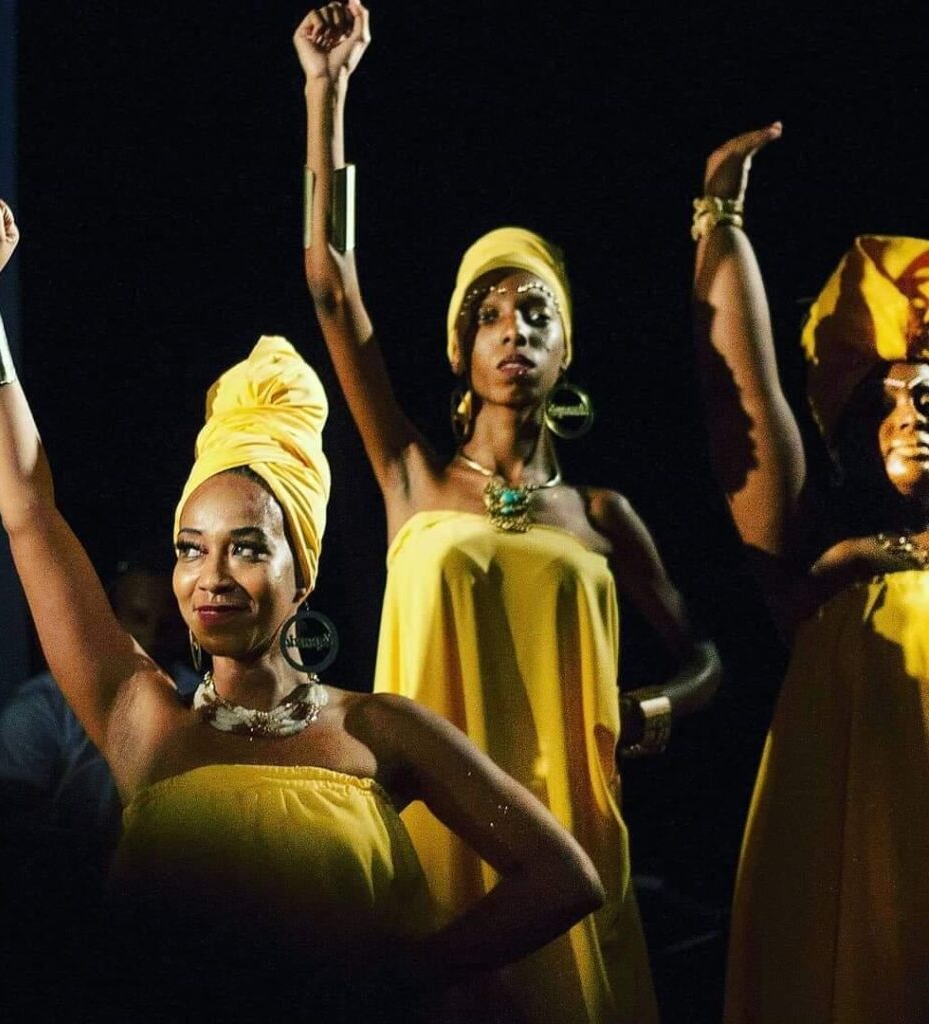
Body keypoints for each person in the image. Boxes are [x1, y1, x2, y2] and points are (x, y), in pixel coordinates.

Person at [0, 193, 606, 1020]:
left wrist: (408, 975)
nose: (210, 575)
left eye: (248, 547)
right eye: (191, 548)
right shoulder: (140, 720)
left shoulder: (378, 730)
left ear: (305, 575)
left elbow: (566, 878)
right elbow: (28, 510)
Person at [295, 5, 722, 1022]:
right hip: (435, 837)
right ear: (457, 347)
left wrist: (661, 706)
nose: (512, 331)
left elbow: (708, 651)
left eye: (535, 314)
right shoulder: (410, 473)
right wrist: (327, 90)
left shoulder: (602, 512)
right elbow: (328, 282)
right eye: (486, 315)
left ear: (563, 348)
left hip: (571, 840)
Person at [692, 124, 929, 1023]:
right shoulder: (814, 564)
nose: (910, 414)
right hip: (850, 895)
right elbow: (741, 397)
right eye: (886, 399)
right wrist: (721, 217)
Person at [0, 557, 198, 868]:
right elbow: (10, 828)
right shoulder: (41, 708)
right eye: (138, 618)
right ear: (111, 619)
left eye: (168, 625)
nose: (151, 638)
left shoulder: (201, 700)